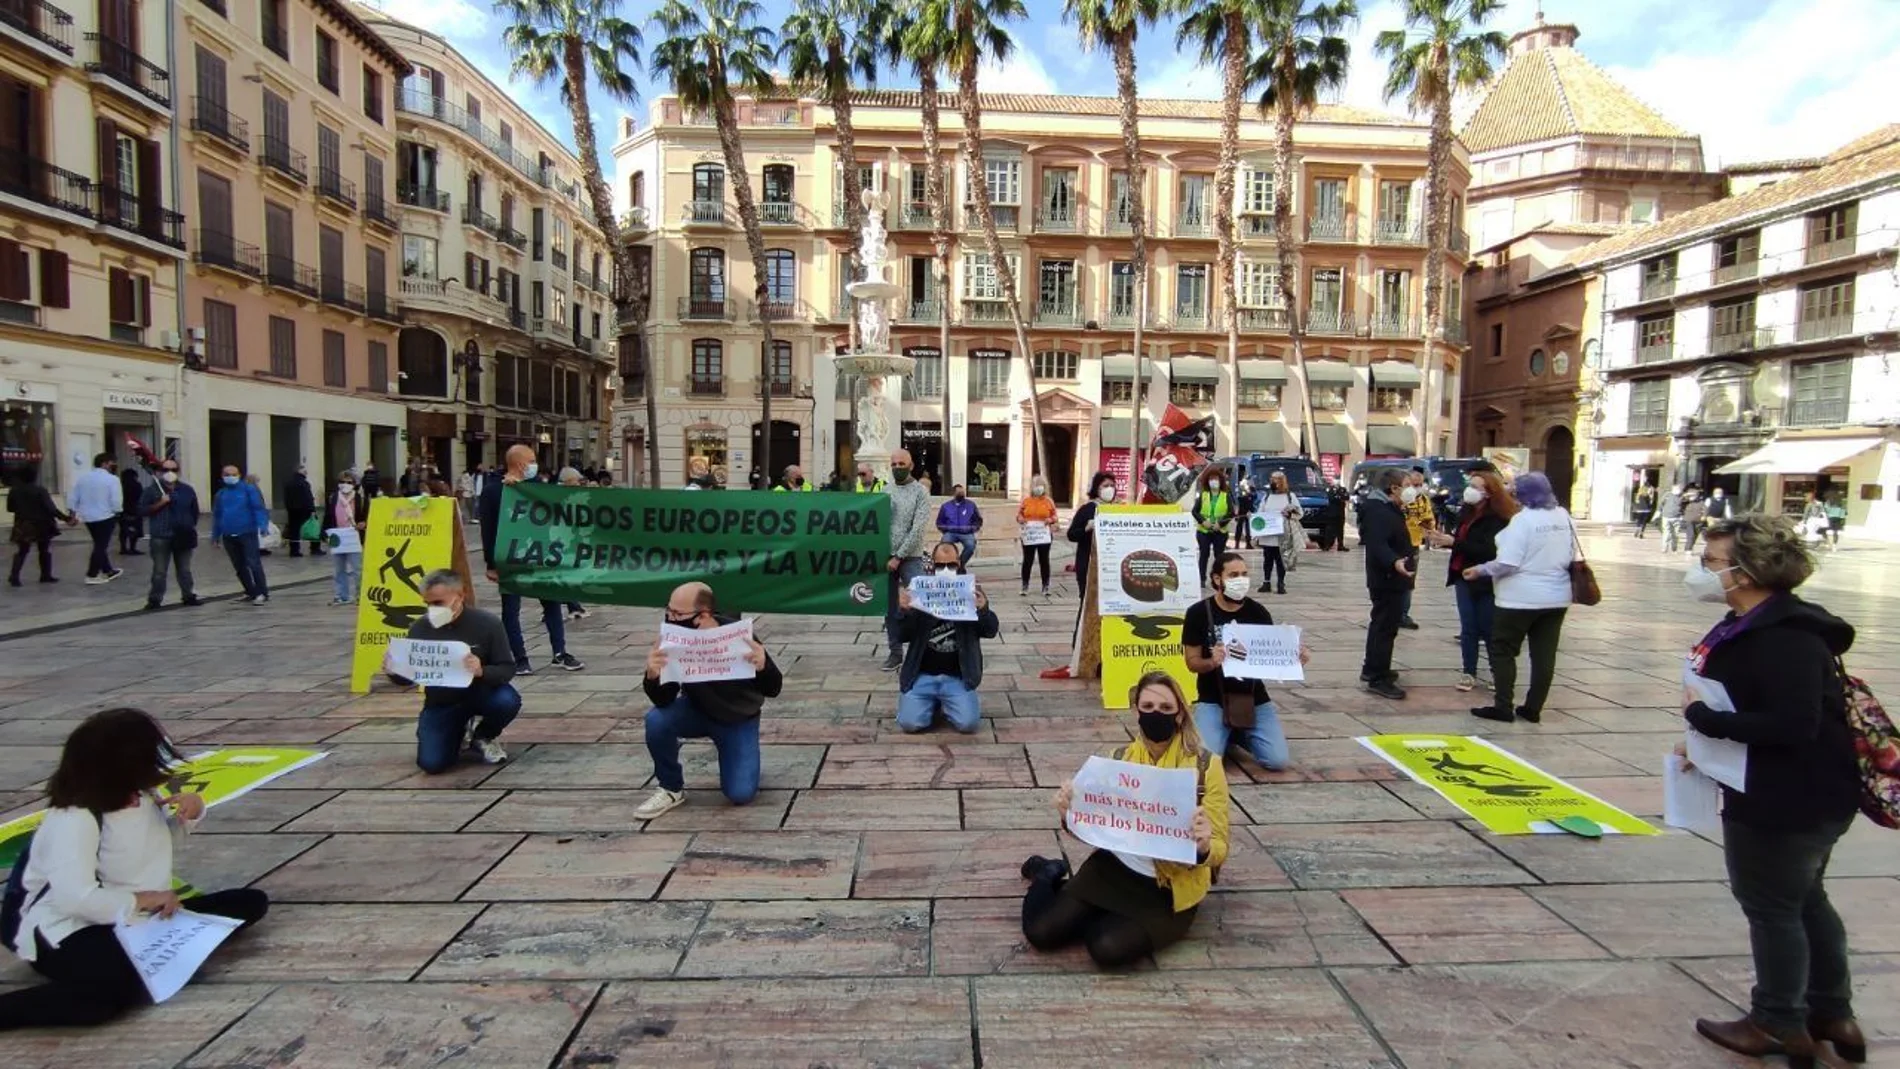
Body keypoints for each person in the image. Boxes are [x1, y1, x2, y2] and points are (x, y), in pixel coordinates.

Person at [1681, 515, 1865, 1068]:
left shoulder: (1784, 637)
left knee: (1772, 906)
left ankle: (1778, 1021)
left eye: (1711, 563)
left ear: (1746, 572)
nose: (1702, 572)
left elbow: (1791, 724)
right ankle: (1833, 1014)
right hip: (1807, 790)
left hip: (1786, 796)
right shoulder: (1758, 624)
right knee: (1804, 899)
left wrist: (1706, 722)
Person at [0, 708, 270, 1030]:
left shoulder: (139, 796)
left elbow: (150, 850)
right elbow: (75, 898)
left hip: (133, 918)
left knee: (248, 902)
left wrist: (192, 812)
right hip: (65, 928)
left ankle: (140, 949)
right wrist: (142, 900)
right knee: (108, 993)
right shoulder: (74, 818)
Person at [1018, 671, 1229, 969]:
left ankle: (1091, 910)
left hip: (1171, 885)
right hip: (1115, 868)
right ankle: (1047, 874)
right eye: (1148, 707)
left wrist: (1205, 845)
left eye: (1166, 708)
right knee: (1041, 932)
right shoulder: (1117, 760)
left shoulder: (1206, 766)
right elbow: (1098, 830)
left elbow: (1220, 847)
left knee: (1106, 948)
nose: (1157, 714)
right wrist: (1069, 816)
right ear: (1136, 711)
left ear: (1180, 713)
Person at [634, 582, 779, 820]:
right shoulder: (674, 640)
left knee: (740, 793)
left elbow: (773, 688)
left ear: (703, 615)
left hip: (738, 719)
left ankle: (742, 755)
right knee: (656, 720)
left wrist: (763, 667)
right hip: (696, 711)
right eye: (668, 611)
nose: (671, 618)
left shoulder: (738, 635)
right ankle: (670, 787)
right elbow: (663, 699)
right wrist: (653, 676)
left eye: (678, 614)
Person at [1464, 472, 1574, 724]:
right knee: (1544, 654)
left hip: (1519, 598)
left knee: (1503, 649)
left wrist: (1480, 570)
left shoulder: (1522, 522)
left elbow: (1507, 563)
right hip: (1556, 597)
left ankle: (1503, 706)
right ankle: (1533, 707)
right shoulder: (1563, 516)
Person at [1184, 552, 1306, 770]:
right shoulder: (1198, 613)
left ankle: (1237, 733)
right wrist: (1212, 662)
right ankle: (1223, 731)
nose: (1240, 580)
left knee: (1277, 761)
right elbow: (1192, 662)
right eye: (1233, 575)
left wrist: (1294, 657)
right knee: (1205, 762)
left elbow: (1269, 658)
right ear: (1217, 579)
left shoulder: (1258, 612)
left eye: (1244, 574)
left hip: (1253, 697)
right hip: (1213, 697)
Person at [399, 570, 519, 772]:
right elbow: (408, 677)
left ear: (460, 597)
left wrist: (481, 671)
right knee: (432, 763)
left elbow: (507, 668)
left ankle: (484, 735)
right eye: (428, 604)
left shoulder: (487, 624)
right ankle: (457, 732)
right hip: (442, 701)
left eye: (438, 603)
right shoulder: (420, 628)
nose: (432, 609)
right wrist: (395, 669)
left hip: (481, 692)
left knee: (507, 700)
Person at [479, 444, 584, 674]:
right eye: (532, 460)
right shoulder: (493, 491)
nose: (535, 465)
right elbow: (488, 529)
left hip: (541, 558)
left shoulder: (537, 488)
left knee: (552, 603)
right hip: (509, 559)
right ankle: (519, 658)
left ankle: (560, 652)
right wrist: (491, 564)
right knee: (511, 609)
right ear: (520, 464)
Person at [893, 542, 999, 733]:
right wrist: (904, 612)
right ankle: (929, 705)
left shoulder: (972, 590)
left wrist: (983, 610)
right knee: (909, 724)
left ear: (958, 564)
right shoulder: (919, 591)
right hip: (922, 675)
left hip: (957, 677)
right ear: (932, 565)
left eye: (951, 565)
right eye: (940, 566)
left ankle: (948, 703)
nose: (946, 570)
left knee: (968, 725)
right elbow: (900, 635)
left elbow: (990, 631)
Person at [1427, 469, 1515, 692]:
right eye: (1471, 485)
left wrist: (1453, 543)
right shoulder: (1466, 513)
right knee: (1468, 628)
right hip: (1463, 576)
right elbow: (1461, 541)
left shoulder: (1498, 519)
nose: (1470, 490)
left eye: (1476, 487)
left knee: (1488, 627)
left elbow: (1489, 551)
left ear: (1489, 493)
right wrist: (1446, 540)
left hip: (1485, 579)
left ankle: (1498, 673)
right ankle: (1469, 672)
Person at [1359, 469, 1415, 700]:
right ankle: (1377, 678)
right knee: (1384, 627)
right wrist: (1394, 562)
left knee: (1383, 625)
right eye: (1408, 484)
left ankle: (1373, 667)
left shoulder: (1388, 508)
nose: (1413, 489)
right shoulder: (1378, 511)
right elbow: (1377, 544)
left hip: (1393, 576)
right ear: (1394, 488)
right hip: (1387, 578)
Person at [880, 449, 931, 670]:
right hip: (885, 558)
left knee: (919, 605)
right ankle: (895, 653)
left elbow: (918, 529)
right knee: (889, 608)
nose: (897, 467)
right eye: (893, 464)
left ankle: (920, 653)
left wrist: (899, 556)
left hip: (911, 557)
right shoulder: (885, 490)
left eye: (902, 463)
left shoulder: (921, 492)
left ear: (911, 466)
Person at [139, 458, 201, 611]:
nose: (169, 473)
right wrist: (161, 502)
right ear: (160, 472)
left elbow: (194, 511)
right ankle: (155, 599)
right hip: (161, 535)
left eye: (173, 470)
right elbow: (142, 510)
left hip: (182, 534)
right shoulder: (152, 490)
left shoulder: (187, 490)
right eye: (166, 470)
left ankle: (188, 595)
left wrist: (189, 525)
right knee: (159, 571)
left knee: (184, 569)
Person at [210, 465, 270, 605]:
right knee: (239, 566)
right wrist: (215, 536)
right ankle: (250, 591)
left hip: (247, 532)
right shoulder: (221, 494)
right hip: (228, 534)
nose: (230, 477)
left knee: (253, 563)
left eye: (233, 474)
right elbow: (217, 515)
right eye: (227, 474)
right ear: (222, 476)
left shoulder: (248, 490)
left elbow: (258, 508)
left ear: (239, 475)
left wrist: (262, 525)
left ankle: (262, 592)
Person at [7, 466, 75, 586]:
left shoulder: (14, 490)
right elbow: (51, 509)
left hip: (23, 523)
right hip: (42, 523)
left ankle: (15, 575)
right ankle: (45, 575)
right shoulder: (40, 490)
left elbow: (10, 508)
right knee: (44, 549)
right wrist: (66, 518)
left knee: (22, 550)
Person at [70, 453, 123, 585]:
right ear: (105, 463)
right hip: (106, 516)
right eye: (112, 462)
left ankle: (108, 570)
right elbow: (116, 500)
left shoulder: (83, 478)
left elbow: (73, 497)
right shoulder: (112, 479)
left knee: (99, 544)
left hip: (88, 517)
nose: (114, 465)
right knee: (101, 546)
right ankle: (92, 574)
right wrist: (118, 512)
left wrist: (72, 513)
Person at [1067, 473, 1116, 596]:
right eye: (1105, 486)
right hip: (1088, 564)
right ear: (1096, 488)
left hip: (1111, 565)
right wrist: (1086, 529)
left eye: (1112, 486)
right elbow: (1071, 535)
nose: (1109, 489)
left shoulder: (1117, 510)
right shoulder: (1087, 509)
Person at [1398, 470, 1436, 629]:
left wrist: (1428, 530)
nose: (1417, 488)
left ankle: (1403, 615)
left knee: (1408, 581)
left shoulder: (1423, 499)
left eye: (1420, 485)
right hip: (1395, 541)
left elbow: (1427, 520)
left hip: (1412, 543)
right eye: (1414, 485)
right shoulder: (1398, 499)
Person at [1257, 472, 1303, 595]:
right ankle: (1266, 582)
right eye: (1272, 480)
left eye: (1276, 480)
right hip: (1268, 535)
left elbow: (1299, 513)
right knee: (1267, 559)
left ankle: (1280, 583)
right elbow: (1260, 512)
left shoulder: (1290, 496)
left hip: (1283, 534)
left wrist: (1289, 514)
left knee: (1281, 560)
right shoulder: (1267, 496)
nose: (1273, 482)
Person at [325, 472, 367, 605]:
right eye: (343, 482)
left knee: (357, 569)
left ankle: (360, 595)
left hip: (354, 537)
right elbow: (328, 516)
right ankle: (341, 595)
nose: (346, 485)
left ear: (354, 485)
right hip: (338, 536)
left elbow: (366, 516)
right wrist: (325, 534)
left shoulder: (360, 499)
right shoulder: (333, 498)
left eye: (349, 482)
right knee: (339, 569)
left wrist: (363, 523)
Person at [1190, 467, 1233, 589]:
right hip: (1204, 531)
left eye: (1216, 479)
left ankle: (1218, 579)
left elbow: (1231, 513)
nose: (1213, 481)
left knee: (1219, 556)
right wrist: (1203, 522)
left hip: (1220, 531)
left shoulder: (1226, 496)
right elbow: (1195, 511)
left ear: (1221, 481)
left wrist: (1220, 524)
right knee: (1204, 554)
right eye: (1210, 479)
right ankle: (1201, 579)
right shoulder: (1203, 495)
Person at [1016, 476, 1057, 598]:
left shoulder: (1049, 501)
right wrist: (1021, 519)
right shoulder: (1026, 501)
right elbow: (1019, 515)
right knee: (1027, 560)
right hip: (1029, 535)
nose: (1038, 488)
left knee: (1044, 560)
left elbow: (1055, 516)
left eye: (1040, 485)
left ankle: (1046, 586)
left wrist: (1050, 520)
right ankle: (1024, 585)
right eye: (1035, 485)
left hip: (1043, 535)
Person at [937, 483, 983, 565]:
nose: (962, 494)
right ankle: (948, 565)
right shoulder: (946, 506)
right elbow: (939, 522)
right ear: (954, 493)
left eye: (963, 492)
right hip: (951, 532)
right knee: (944, 545)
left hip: (966, 532)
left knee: (970, 546)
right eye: (959, 492)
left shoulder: (971, 505)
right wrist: (946, 529)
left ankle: (959, 564)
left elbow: (978, 520)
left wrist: (971, 529)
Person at [282, 465, 319, 558]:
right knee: (313, 526)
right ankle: (315, 548)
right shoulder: (304, 483)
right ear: (299, 471)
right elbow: (308, 498)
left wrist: (288, 507)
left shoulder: (288, 483)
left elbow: (286, 498)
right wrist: (312, 510)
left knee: (294, 530)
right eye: (304, 470)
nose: (306, 472)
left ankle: (294, 550)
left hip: (292, 510)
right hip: (305, 509)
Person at [116, 463, 144, 555]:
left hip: (123, 510)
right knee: (135, 530)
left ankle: (123, 547)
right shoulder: (137, 485)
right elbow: (141, 497)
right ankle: (132, 548)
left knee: (123, 530)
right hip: (135, 510)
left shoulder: (119, 486)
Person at [1319, 478, 1350, 552]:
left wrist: (1339, 497)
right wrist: (1340, 497)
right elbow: (1331, 498)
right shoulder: (1330, 489)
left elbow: (1347, 497)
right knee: (1330, 530)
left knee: (1340, 530)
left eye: (1338, 480)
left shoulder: (1343, 489)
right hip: (1332, 513)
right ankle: (1327, 545)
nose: (1337, 481)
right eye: (1336, 480)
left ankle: (1341, 545)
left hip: (1341, 512)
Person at [1659, 484, 1686, 553]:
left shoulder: (1682, 496)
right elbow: (1661, 503)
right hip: (1666, 516)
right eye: (1676, 489)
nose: (1678, 491)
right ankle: (1664, 548)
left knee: (1676, 534)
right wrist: (1661, 511)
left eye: (1679, 489)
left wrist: (1682, 515)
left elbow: (1684, 506)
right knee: (1666, 533)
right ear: (1672, 489)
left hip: (1677, 517)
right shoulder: (1667, 495)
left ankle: (1674, 548)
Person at [1683, 487, 1708, 553]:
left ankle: (1689, 547)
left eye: (1694, 496)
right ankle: (1688, 549)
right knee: (1690, 535)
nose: (1692, 497)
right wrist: (1685, 495)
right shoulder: (1686, 502)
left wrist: (1704, 516)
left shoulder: (1701, 502)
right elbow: (1679, 502)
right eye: (1691, 496)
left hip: (1698, 521)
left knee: (1695, 535)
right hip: (1688, 521)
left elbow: (1705, 510)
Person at [1233, 477, 1255, 549]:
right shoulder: (1241, 486)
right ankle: (1237, 543)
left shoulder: (1250, 485)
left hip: (1248, 510)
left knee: (1248, 527)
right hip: (1242, 510)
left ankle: (1248, 543)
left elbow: (1253, 496)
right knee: (1240, 527)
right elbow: (1239, 498)